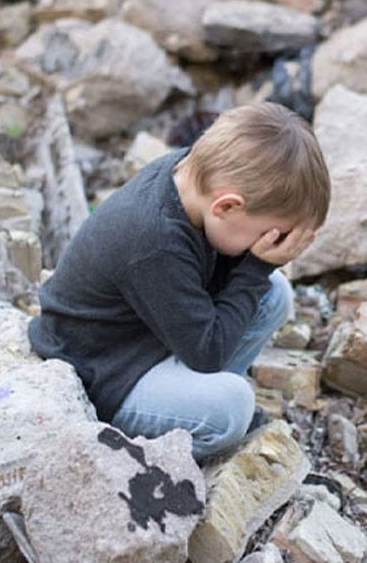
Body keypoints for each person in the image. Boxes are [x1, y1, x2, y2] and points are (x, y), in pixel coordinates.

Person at [28, 102, 331, 461]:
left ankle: (191, 398)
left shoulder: (192, 176)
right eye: (267, 235)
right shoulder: (153, 239)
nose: (269, 245)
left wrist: (258, 266)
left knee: (274, 293)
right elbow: (207, 353)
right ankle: (156, 448)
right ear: (226, 207)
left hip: (145, 339)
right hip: (101, 375)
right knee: (231, 407)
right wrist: (254, 268)